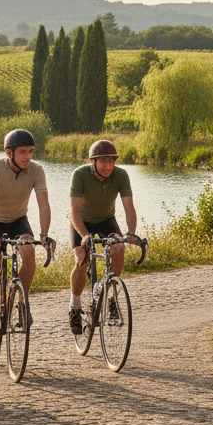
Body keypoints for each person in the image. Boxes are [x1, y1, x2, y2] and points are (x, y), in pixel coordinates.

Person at [0, 128, 54, 346]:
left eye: (30, 151)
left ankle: (21, 301)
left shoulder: (37, 170)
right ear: (8, 153)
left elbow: (43, 204)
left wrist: (45, 235)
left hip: (18, 219)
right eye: (22, 152)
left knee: (29, 251)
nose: (27, 157)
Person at [68, 139, 137, 335]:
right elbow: (74, 210)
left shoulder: (121, 175)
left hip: (107, 219)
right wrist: (84, 235)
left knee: (119, 247)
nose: (108, 166)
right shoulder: (80, 175)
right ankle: (75, 307)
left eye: (111, 162)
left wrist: (130, 233)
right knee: (83, 258)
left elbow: (129, 208)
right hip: (82, 221)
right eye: (103, 162)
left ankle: (110, 294)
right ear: (93, 162)